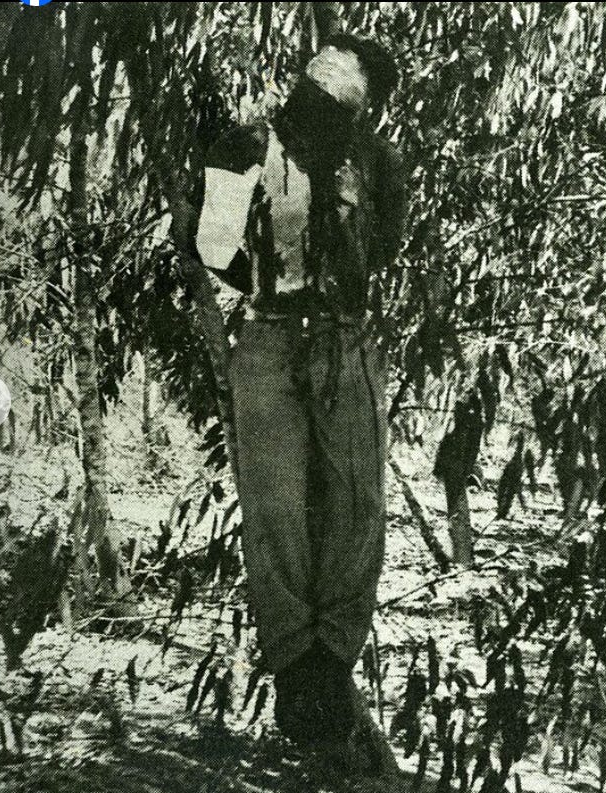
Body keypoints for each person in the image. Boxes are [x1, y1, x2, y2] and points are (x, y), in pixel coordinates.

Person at [194, 34, 408, 770]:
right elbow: (213, 244)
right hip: (268, 337)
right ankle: (297, 669)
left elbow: (387, 242)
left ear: (359, 109)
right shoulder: (243, 146)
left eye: (338, 103)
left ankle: (333, 656)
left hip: (346, 338)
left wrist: (331, 287)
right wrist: (273, 283)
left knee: (357, 502)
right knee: (275, 500)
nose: (319, 110)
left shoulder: (375, 161)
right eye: (312, 93)